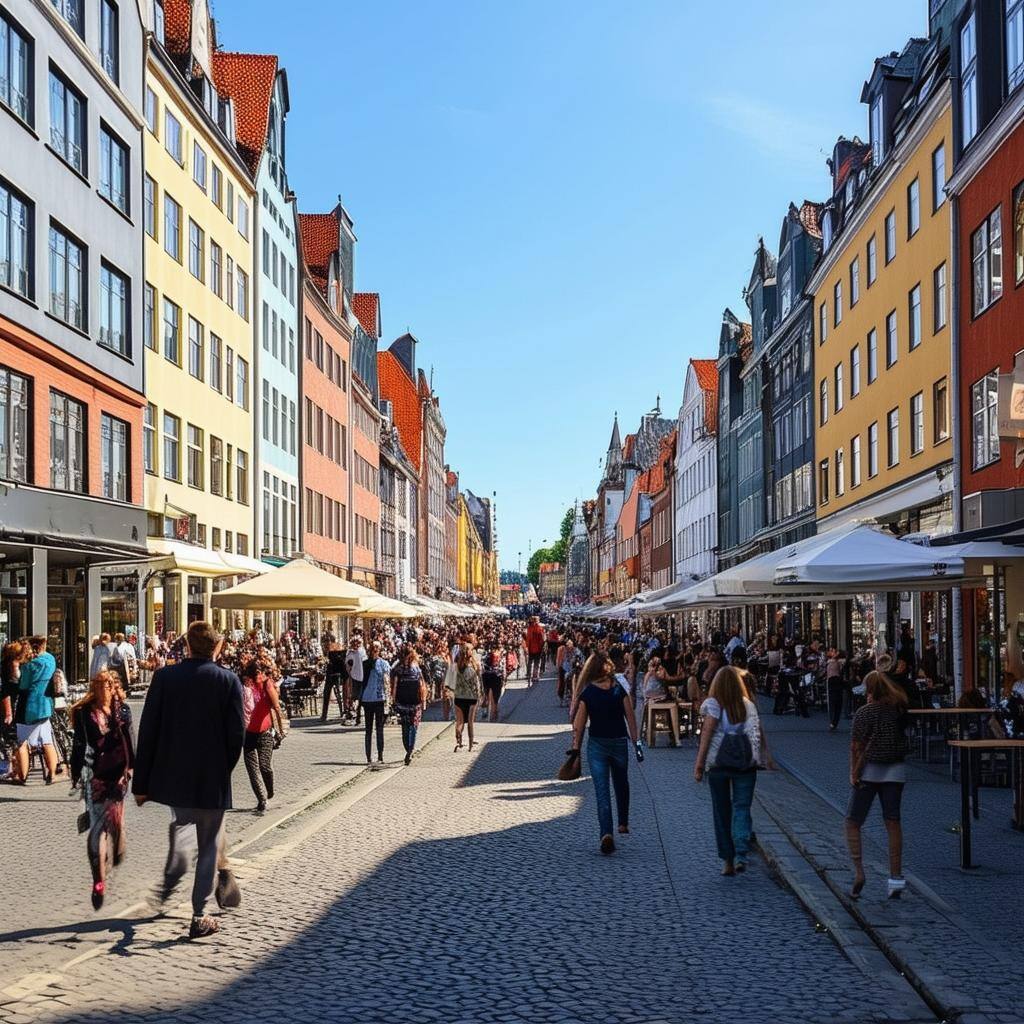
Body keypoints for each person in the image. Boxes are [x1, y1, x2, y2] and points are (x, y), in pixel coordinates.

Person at [132, 621, 245, 940]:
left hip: (175, 777)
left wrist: (141, 784)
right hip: (212, 778)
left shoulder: (165, 677)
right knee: (208, 845)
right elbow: (236, 734)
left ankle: (171, 879)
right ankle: (198, 913)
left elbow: (149, 729)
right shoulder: (228, 680)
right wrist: (224, 767)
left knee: (183, 826)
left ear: (187, 646)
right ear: (217, 647)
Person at [70, 670, 134, 909]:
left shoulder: (120, 711)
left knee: (108, 825)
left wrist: (131, 768)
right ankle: (99, 878)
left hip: (112, 773)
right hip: (100, 774)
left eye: (107, 685)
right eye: (102, 685)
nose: (105, 689)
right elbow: (80, 744)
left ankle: (105, 868)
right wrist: (77, 773)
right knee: (103, 825)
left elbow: (129, 740)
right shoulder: (90, 713)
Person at [845, 669, 909, 900]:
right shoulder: (898, 710)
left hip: (869, 772)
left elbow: (856, 746)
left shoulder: (865, 712)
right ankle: (895, 879)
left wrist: (853, 771)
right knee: (893, 823)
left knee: (853, 822)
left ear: (870, 691)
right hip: (896, 771)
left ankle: (859, 872)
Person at [570, 652, 641, 855]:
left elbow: (579, 726)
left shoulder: (588, 694)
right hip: (619, 743)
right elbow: (631, 720)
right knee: (621, 782)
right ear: (610, 668)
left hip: (597, 746)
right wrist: (638, 746)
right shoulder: (619, 691)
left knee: (602, 791)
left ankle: (606, 833)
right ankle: (623, 823)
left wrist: (575, 749)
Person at [694, 666, 762, 876]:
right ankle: (741, 850)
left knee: (721, 812)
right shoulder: (748, 705)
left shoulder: (713, 705)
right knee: (742, 807)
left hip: (719, 765)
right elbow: (755, 734)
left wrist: (699, 764)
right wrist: (758, 758)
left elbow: (706, 734)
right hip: (745, 765)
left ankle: (728, 861)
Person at [240, 657, 285, 813]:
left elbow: (277, 707)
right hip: (248, 734)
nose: (254, 679)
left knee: (265, 767)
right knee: (252, 770)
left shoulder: (267, 684)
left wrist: (280, 729)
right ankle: (262, 800)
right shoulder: (246, 687)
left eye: (257, 675)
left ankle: (270, 789)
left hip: (265, 733)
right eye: (252, 677)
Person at [14, 636, 58, 784]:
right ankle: (51, 775)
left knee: (22, 742)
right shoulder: (50, 660)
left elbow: (23, 686)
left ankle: (23, 776)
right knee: (47, 741)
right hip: (45, 704)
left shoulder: (28, 666)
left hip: (29, 705)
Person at [391, 646, 427, 766]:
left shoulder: (398, 669)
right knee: (412, 727)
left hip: (402, 702)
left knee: (405, 727)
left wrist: (393, 700)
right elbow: (422, 685)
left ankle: (408, 749)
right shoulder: (416, 668)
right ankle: (409, 750)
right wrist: (424, 701)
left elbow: (395, 686)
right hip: (415, 702)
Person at [360, 642, 391, 765]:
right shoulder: (365, 664)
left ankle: (380, 756)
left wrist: (388, 699)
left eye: (377, 648)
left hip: (379, 698)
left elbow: (387, 682)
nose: (374, 650)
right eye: (373, 648)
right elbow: (360, 680)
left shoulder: (384, 664)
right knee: (368, 730)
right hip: (367, 699)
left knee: (379, 729)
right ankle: (368, 757)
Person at [452, 645, 482, 752]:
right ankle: (470, 745)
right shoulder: (475, 666)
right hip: (472, 697)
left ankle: (459, 741)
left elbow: (451, 681)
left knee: (459, 721)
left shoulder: (455, 666)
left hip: (459, 696)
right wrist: (480, 695)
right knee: (470, 722)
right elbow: (478, 682)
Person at [321, 639, 347, 723]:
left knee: (331, 693)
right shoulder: (338, 653)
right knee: (329, 693)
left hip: (334, 674)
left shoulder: (336, 653)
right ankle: (326, 714)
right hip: (333, 674)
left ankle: (326, 714)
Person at [345, 635, 367, 725]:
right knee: (354, 696)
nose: (356, 645)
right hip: (354, 677)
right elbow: (348, 663)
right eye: (354, 643)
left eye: (358, 643)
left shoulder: (361, 651)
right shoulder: (351, 653)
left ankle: (358, 715)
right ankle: (352, 714)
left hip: (361, 677)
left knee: (360, 697)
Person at [481, 645, 506, 723]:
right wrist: (504, 678)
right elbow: (503, 667)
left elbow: (482, 666)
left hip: (486, 676)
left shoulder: (484, 654)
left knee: (487, 695)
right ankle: (494, 714)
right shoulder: (501, 654)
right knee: (495, 697)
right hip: (496, 676)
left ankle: (487, 710)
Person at [826, 648, 848, 731]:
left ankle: (833, 722)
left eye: (834, 652)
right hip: (833, 681)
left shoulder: (838, 662)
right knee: (835, 703)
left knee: (836, 703)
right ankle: (833, 722)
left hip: (835, 681)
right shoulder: (832, 662)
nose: (833, 653)